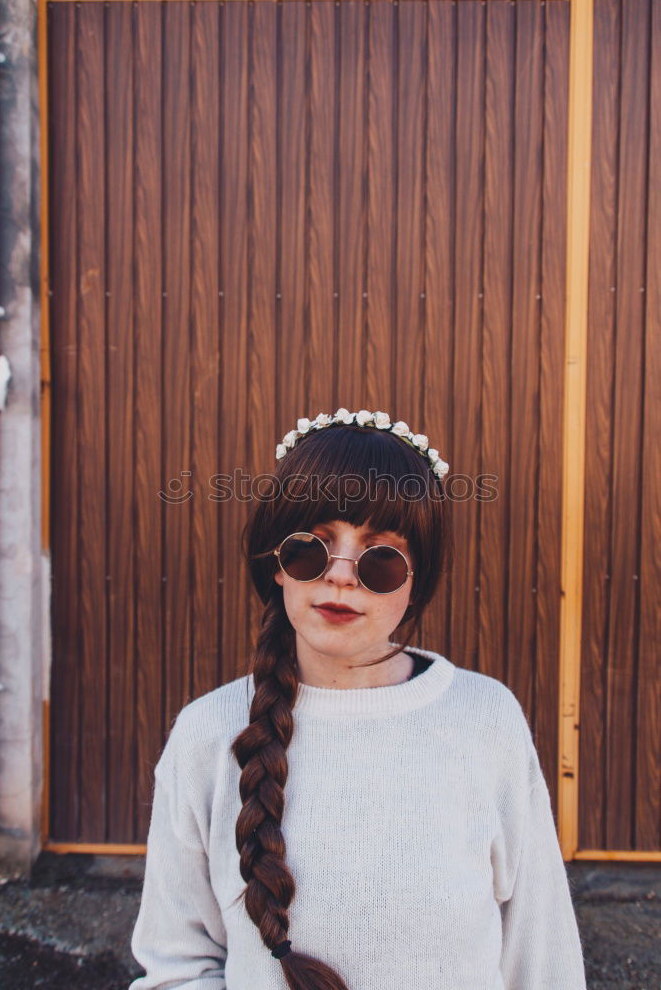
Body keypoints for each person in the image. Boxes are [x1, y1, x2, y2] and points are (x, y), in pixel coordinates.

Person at [129, 408, 587, 990]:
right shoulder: (207, 735)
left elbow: (541, 954)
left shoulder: (485, 721)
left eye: (381, 558)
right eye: (311, 548)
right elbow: (177, 966)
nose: (342, 574)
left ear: (416, 581)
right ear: (276, 563)